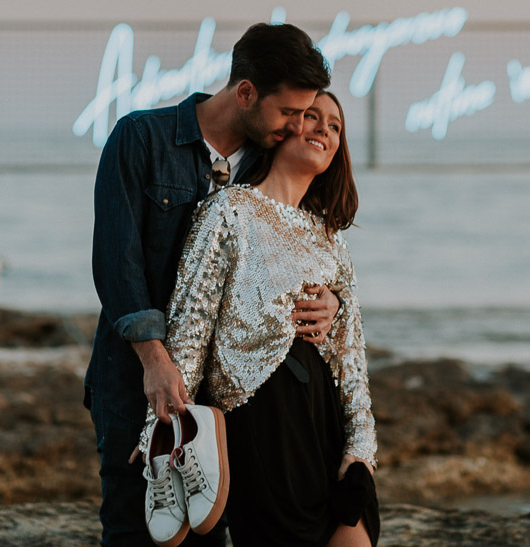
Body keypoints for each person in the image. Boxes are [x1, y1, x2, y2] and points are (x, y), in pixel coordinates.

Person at [84, 22, 340, 547]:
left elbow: (301, 247)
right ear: (245, 92)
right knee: (139, 532)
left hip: (231, 402)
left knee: (211, 538)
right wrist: (155, 361)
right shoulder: (141, 139)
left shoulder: (268, 166)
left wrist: (331, 299)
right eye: (288, 112)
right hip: (138, 382)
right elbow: (117, 264)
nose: (297, 127)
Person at [150, 90, 379, 546]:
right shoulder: (227, 211)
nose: (324, 130)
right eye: (312, 116)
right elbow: (191, 327)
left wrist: (361, 450)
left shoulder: (331, 238)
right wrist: (157, 432)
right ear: (283, 127)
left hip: (326, 424)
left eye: (335, 126)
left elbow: (352, 357)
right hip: (263, 424)